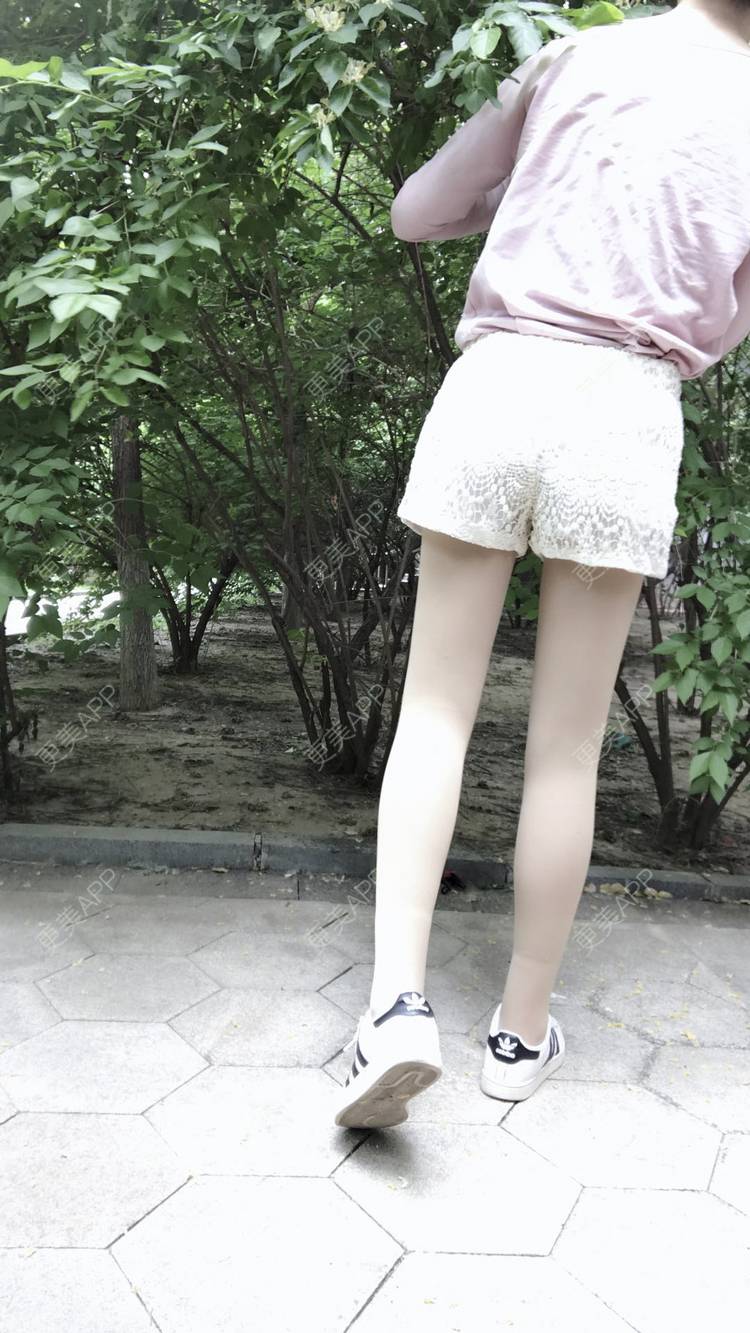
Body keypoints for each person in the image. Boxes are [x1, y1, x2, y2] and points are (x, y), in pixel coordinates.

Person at [332, 0, 750, 1130]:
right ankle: (518, 1035)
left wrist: (523, 194)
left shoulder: (576, 57)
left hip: (504, 378)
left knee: (435, 713)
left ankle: (396, 1008)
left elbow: (417, 213)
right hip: (629, 407)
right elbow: (727, 322)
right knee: (566, 750)